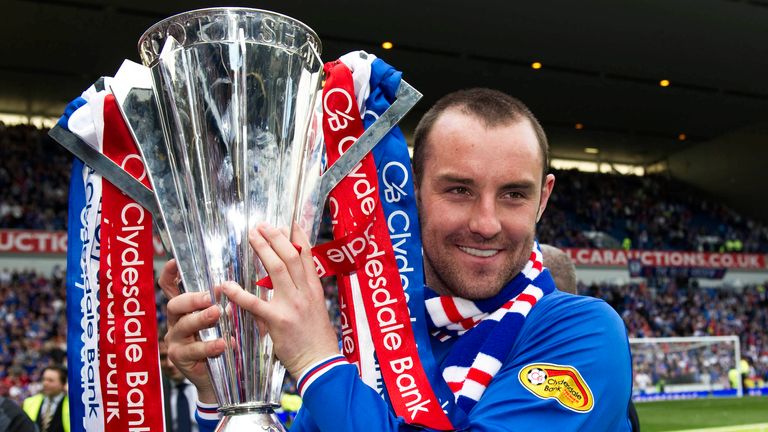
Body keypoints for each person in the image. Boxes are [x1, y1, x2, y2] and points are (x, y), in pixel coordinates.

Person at [160, 88, 633, 430]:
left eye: (513, 194)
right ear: (412, 192)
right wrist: (225, 397)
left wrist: (316, 360)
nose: (487, 223)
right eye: (459, 190)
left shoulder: (582, 331)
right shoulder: (375, 336)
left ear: (543, 199)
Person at [159, 330, 199, 432]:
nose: (170, 364)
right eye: (163, 357)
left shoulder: (210, 387)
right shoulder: (157, 396)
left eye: (174, 356)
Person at [22, 365, 69, 432]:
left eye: (50, 380)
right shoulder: (29, 402)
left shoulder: (71, 406)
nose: (45, 383)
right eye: (44, 379)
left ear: (63, 384)